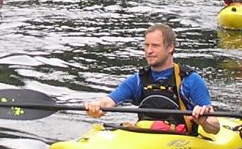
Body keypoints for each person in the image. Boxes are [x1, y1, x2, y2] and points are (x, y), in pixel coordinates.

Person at [84, 24, 219, 134]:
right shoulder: (138, 80)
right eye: (146, 45)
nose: (149, 51)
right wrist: (97, 106)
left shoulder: (190, 80)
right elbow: (109, 102)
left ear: (170, 47)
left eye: (155, 46)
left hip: (182, 140)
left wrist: (203, 122)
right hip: (146, 138)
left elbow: (215, 127)